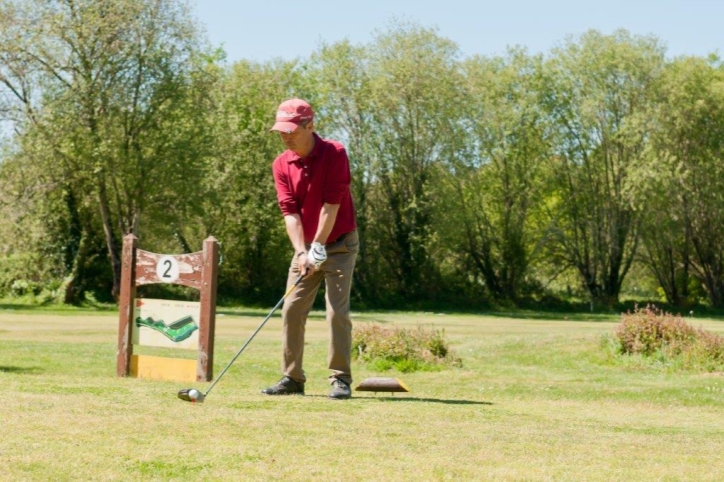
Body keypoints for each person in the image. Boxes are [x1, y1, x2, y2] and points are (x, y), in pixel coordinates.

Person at [262, 98, 358, 400]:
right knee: (291, 309)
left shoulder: (335, 153)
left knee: (336, 313)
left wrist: (318, 245)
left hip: (340, 244)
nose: (286, 135)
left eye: (292, 129)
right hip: (305, 248)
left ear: (310, 125)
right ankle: (292, 378)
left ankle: (340, 378)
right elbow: (289, 212)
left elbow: (332, 205)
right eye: (281, 130)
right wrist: (303, 251)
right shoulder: (281, 164)